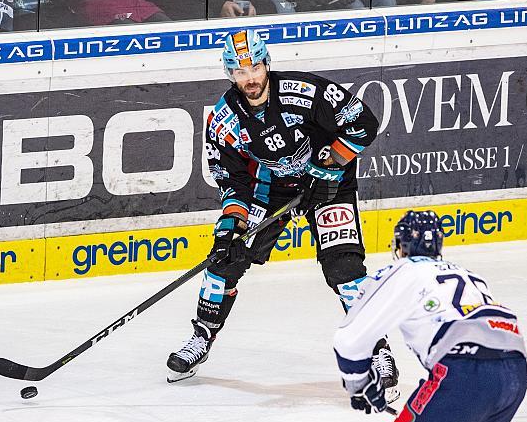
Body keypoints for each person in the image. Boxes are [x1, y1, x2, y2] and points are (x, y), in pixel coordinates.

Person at [166, 29, 399, 400]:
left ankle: (378, 350)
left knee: (344, 269)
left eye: (255, 67)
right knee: (225, 260)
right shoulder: (224, 121)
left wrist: (328, 168)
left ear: (266, 63)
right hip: (269, 188)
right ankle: (202, 336)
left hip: (329, 182)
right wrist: (230, 228)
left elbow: (363, 123)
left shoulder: (304, 92)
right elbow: (233, 181)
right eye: (240, 72)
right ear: (229, 74)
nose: (251, 78)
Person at [334, 210, 527, 422]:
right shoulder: (471, 276)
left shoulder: (404, 270)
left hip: (464, 373)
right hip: (514, 371)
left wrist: (358, 383)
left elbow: (350, 340)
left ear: (401, 246)